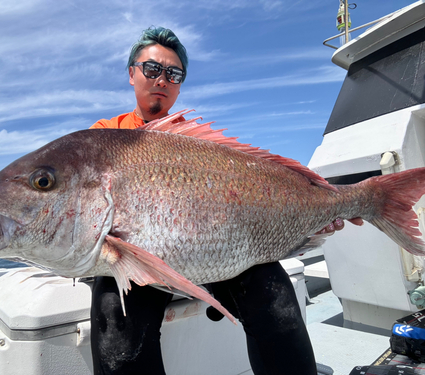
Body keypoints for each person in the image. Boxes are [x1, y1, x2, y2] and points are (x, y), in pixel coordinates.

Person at [85, 26, 343, 375]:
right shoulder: (104, 138)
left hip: (214, 251)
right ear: (132, 73)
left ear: (179, 84)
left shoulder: (204, 147)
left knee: (275, 298)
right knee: (113, 313)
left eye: (174, 73)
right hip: (141, 261)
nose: (162, 79)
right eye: (151, 69)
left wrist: (316, 212)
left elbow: (254, 194)